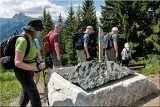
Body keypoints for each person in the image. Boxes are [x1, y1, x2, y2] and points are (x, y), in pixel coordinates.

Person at [14, 18, 45, 107]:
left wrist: (39, 63)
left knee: (26, 95)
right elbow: (17, 62)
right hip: (23, 73)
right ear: (33, 30)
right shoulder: (23, 40)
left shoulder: (31, 39)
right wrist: (37, 68)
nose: (39, 32)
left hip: (29, 71)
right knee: (36, 98)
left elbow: (31, 55)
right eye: (39, 30)